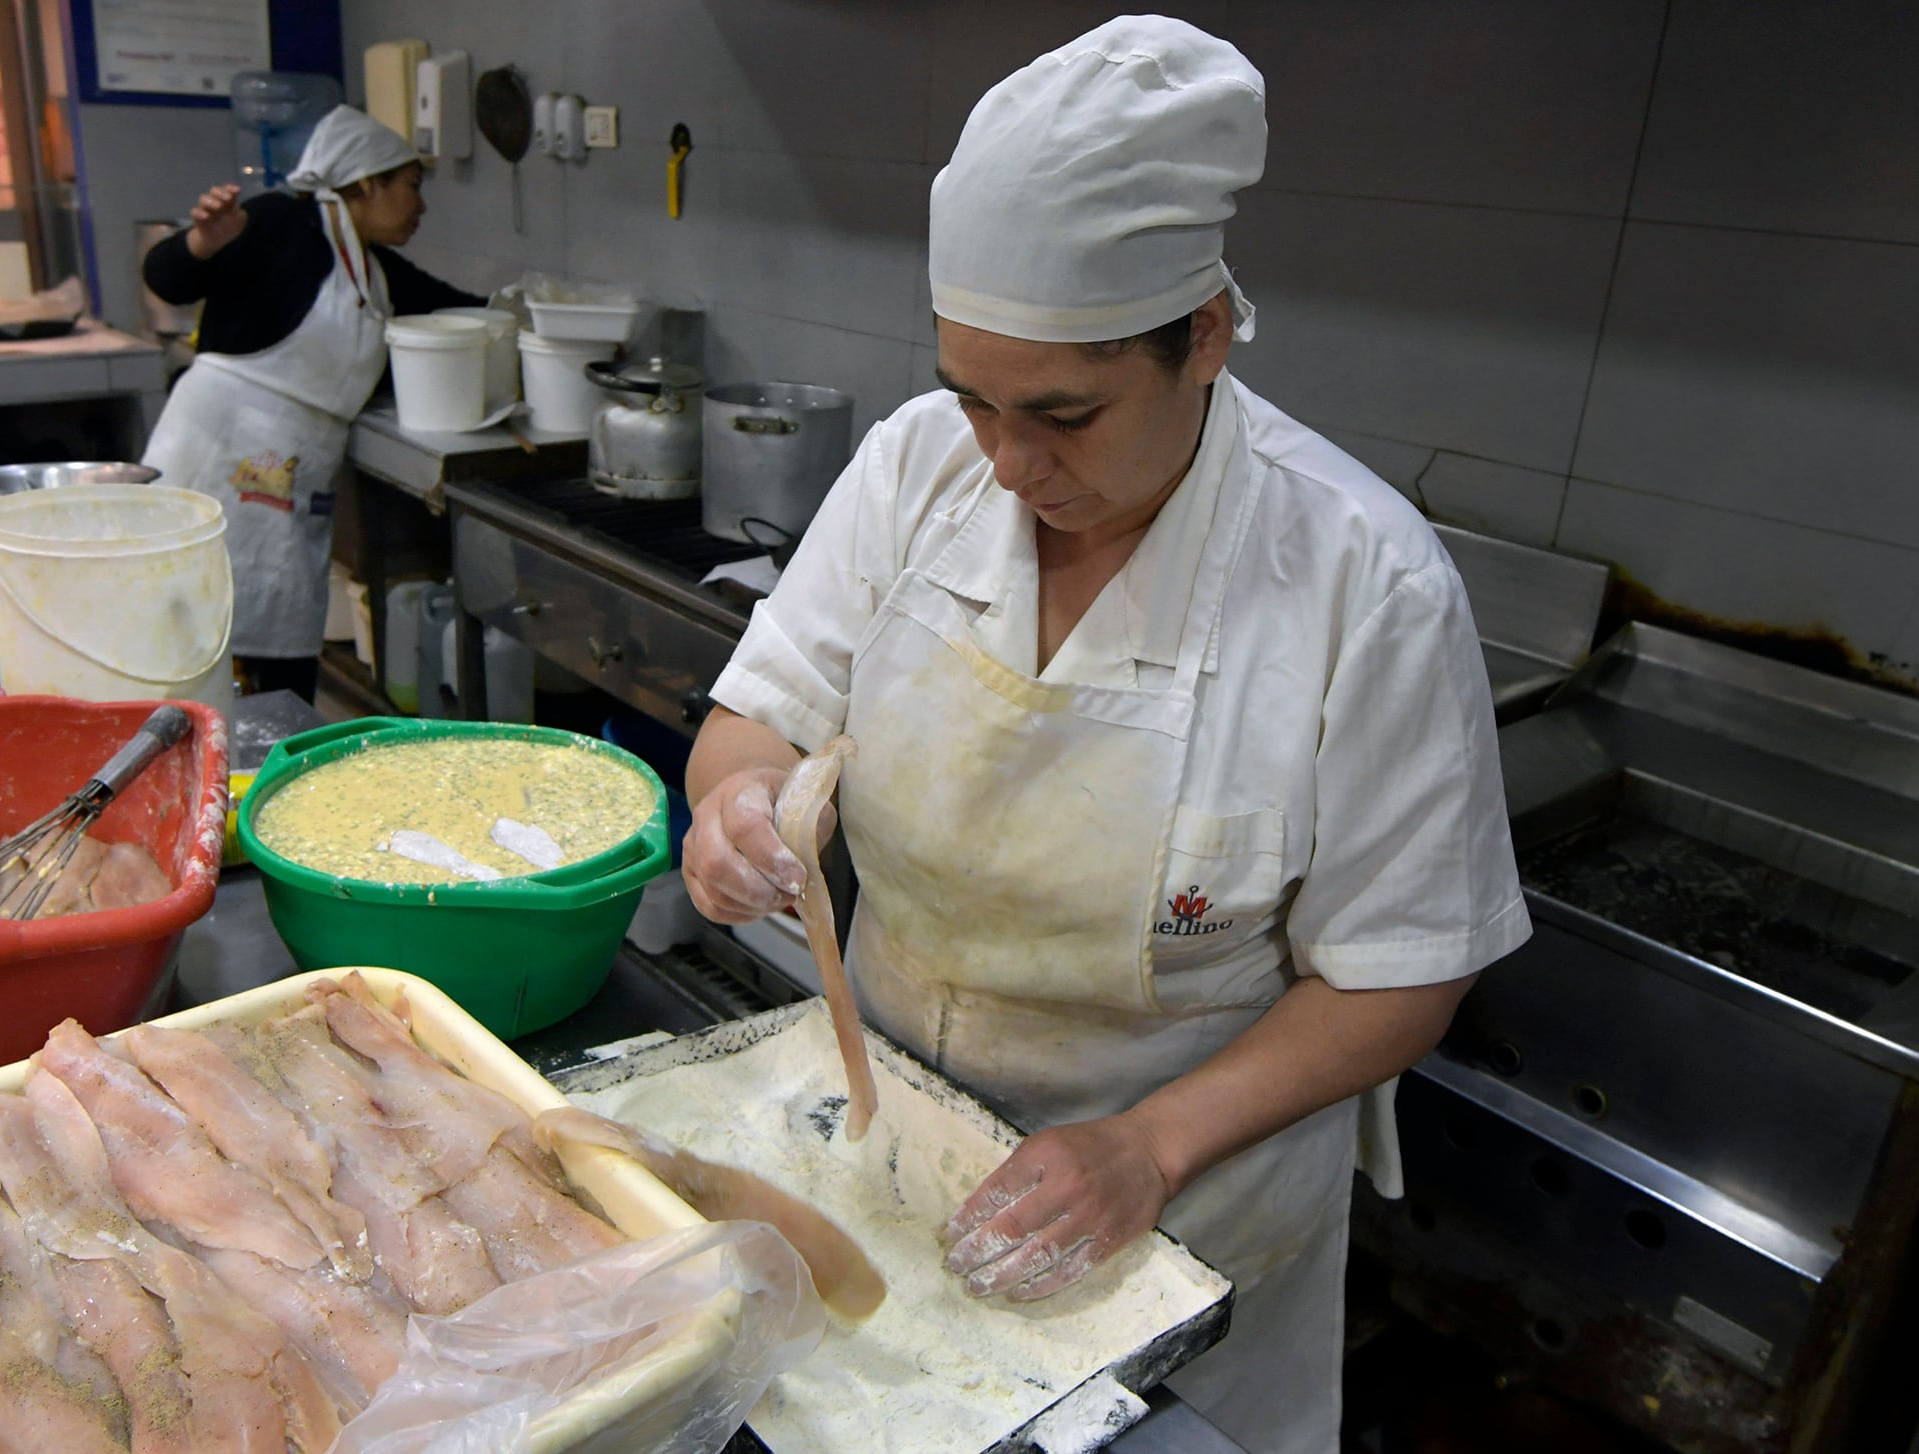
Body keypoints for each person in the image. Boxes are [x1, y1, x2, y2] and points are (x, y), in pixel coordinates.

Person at [680, 18, 1530, 1453]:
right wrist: (736, 808)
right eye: (975, 397)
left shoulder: (1360, 582)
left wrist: (1148, 1146)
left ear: (1203, 334)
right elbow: (752, 721)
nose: (1010, 463)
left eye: (1064, 414)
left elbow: (1400, 975)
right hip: (888, 1138)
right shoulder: (916, 468)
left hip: (1178, 1219)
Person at [141, 105, 483, 702]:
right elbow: (166, 277)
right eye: (412, 185)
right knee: (184, 634)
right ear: (367, 181)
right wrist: (201, 243)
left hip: (293, 474)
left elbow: (460, 309)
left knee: (282, 639)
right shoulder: (280, 222)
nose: (420, 205)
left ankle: (270, 769)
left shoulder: (374, 272)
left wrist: (532, 310)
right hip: (217, 452)